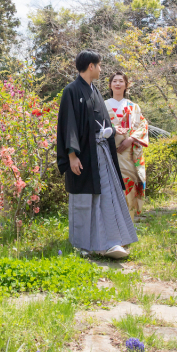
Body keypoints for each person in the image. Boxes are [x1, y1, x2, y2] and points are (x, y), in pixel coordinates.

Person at [56, 50, 138, 259]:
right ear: (91, 66)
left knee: (107, 195)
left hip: (101, 153)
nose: (101, 69)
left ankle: (110, 241)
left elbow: (102, 121)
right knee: (84, 198)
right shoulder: (71, 91)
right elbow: (69, 125)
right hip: (84, 153)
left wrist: (112, 131)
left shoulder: (95, 91)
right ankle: (83, 244)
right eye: (99, 65)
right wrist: (72, 155)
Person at [105, 72, 149, 220]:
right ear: (110, 85)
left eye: (121, 81)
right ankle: (111, 227)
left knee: (128, 186)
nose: (118, 84)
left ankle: (128, 226)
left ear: (126, 85)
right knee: (109, 189)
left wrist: (130, 139)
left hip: (128, 154)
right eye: (115, 81)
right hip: (107, 152)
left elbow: (143, 126)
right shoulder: (103, 105)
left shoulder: (133, 106)